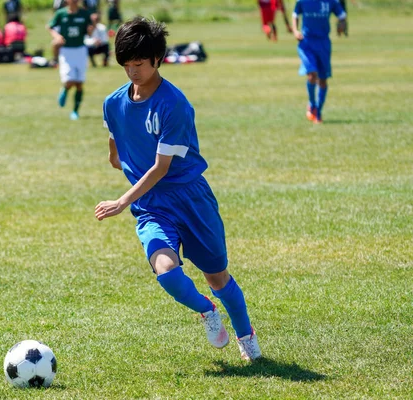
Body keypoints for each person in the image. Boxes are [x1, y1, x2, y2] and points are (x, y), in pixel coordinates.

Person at [95, 17, 262, 362]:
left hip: (190, 199)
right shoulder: (113, 103)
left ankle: (247, 337)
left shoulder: (174, 105)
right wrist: (121, 157)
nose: (132, 72)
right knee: (166, 270)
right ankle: (207, 311)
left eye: (139, 64)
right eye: (126, 65)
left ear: (157, 59)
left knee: (217, 276)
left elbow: (161, 168)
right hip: (152, 203)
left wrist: (122, 200)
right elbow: (114, 153)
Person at [292, 0, 347, 123]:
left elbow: (342, 16)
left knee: (323, 80)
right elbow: (295, 14)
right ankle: (312, 105)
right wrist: (295, 31)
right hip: (307, 42)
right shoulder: (303, 1)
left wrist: (341, 24)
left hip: (323, 43)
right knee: (311, 74)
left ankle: (319, 111)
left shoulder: (331, 1)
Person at [48, 0, 94, 120]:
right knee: (69, 80)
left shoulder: (84, 14)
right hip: (66, 51)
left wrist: (91, 29)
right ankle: (65, 89)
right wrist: (57, 36)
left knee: (79, 83)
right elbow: (50, 26)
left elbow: (89, 32)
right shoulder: (61, 14)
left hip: (80, 50)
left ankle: (75, 111)